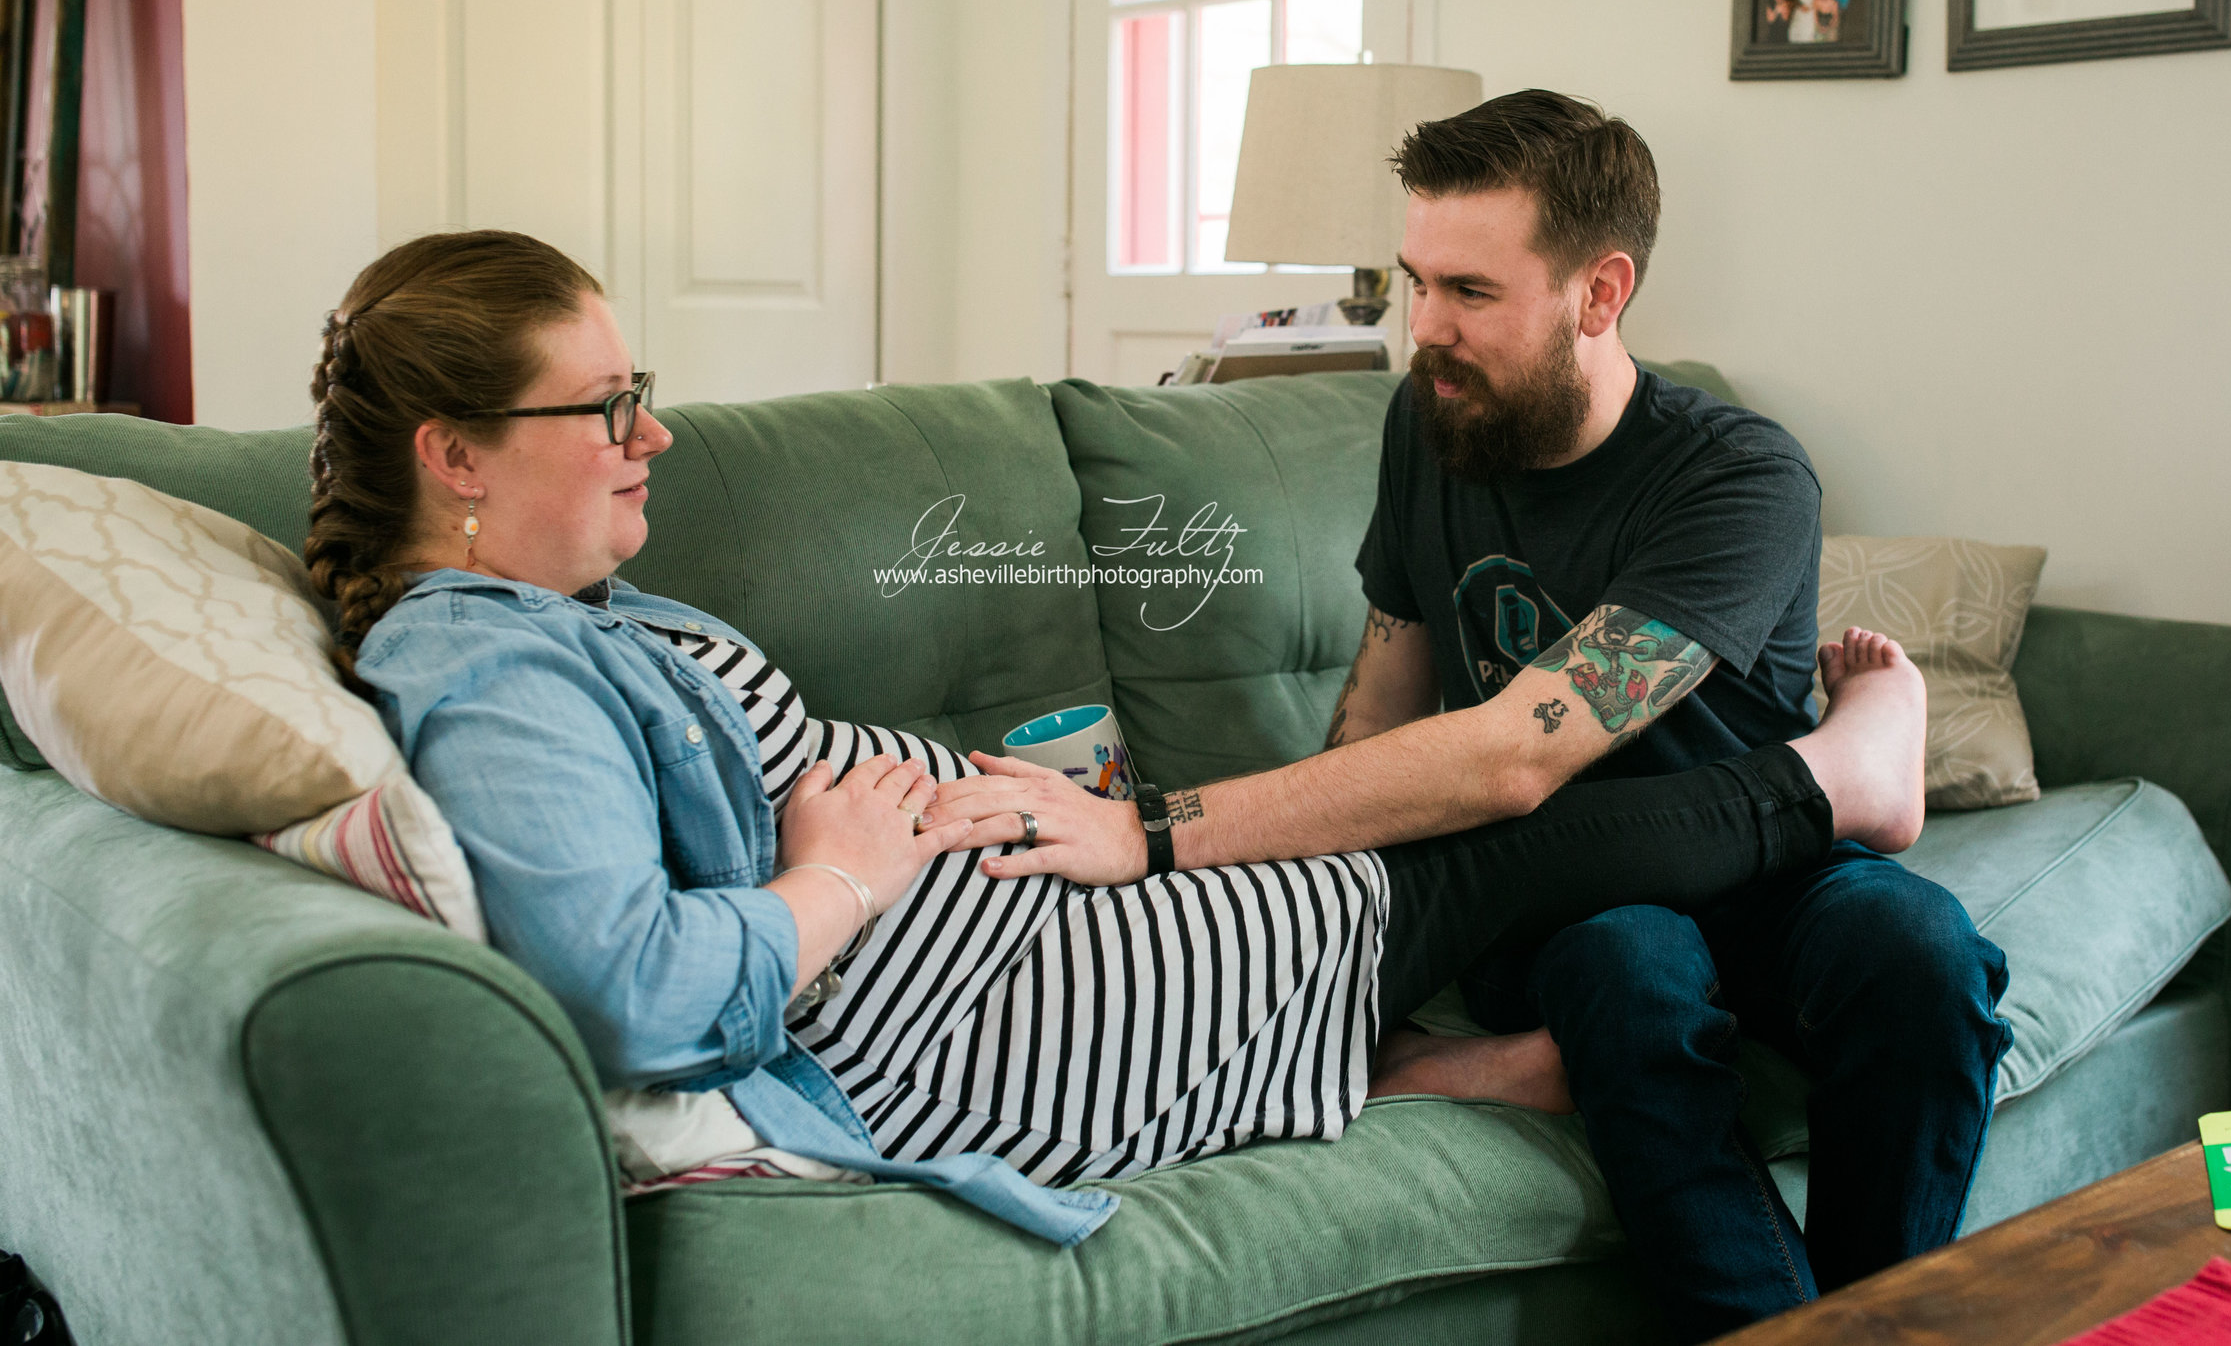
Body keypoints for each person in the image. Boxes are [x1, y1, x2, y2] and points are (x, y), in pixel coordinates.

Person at [311, 228, 1935, 1253]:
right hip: (999, 1003)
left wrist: (1001, 787)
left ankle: (1404, 1059)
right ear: (454, 452)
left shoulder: (567, 611)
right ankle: (1842, 775)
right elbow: (634, 988)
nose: (650, 430)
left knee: (1561, 883)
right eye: (602, 406)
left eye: (639, 388)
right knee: (1513, 833)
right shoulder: (484, 662)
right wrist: (846, 874)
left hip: (1042, 920)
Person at [938, 93, 2013, 1340]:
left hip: (1761, 862)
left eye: (1469, 291)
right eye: (1416, 283)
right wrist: (1323, 949)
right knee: (1632, 972)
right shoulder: (1432, 415)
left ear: (1598, 292)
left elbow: (1516, 750)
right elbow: (1384, 696)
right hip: (1554, 901)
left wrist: (1154, 825)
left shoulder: (1739, 474)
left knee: (1923, 955)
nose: (1426, 330)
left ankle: (1885, 1316)